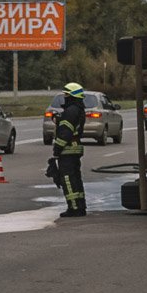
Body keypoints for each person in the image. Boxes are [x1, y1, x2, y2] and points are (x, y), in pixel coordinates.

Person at [51, 82, 87, 217]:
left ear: (71, 96)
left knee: (68, 179)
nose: (65, 98)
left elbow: (65, 132)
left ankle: (74, 208)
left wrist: (57, 149)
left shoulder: (71, 111)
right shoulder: (77, 110)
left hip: (67, 151)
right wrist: (59, 119)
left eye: (66, 96)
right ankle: (80, 205)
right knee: (76, 178)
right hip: (74, 149)